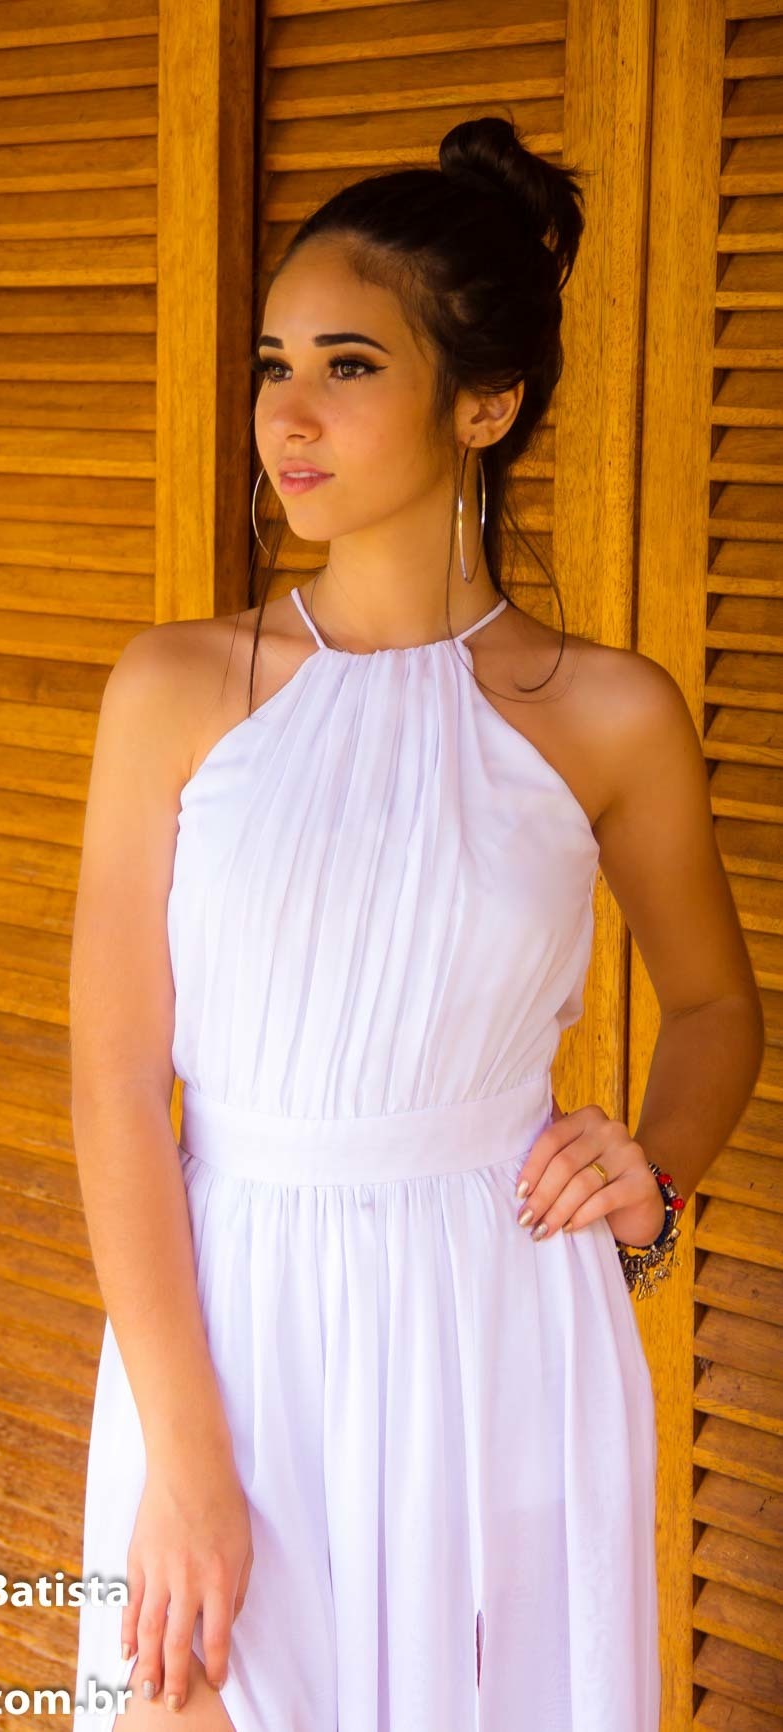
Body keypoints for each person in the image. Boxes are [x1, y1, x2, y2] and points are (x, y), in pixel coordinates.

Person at [66, 115, 764, 1731]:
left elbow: (719, 1010)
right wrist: (186, 1462)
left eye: (350, 365)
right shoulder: (175, 688)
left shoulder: (611, 715)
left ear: (485, 404)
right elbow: (113, 1087)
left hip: (498, 1335)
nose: (287, 413)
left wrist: (653, 1174)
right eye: (275, 363)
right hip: (229, 1339)